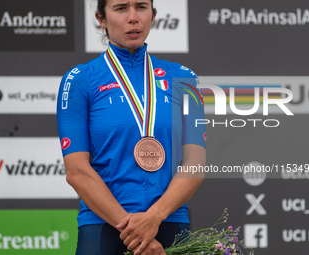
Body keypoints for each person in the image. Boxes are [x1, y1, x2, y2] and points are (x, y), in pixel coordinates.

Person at [56, 0, 206, 254]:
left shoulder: (185, 78)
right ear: (101, 19)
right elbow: (77, 171)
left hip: (168, 221)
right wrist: (136, 232)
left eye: (141, 7)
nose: (133, 17)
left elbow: (195, 163)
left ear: (154, 15)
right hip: (104, 225)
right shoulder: (80, 79)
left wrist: (154, 216)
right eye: (121, 8)